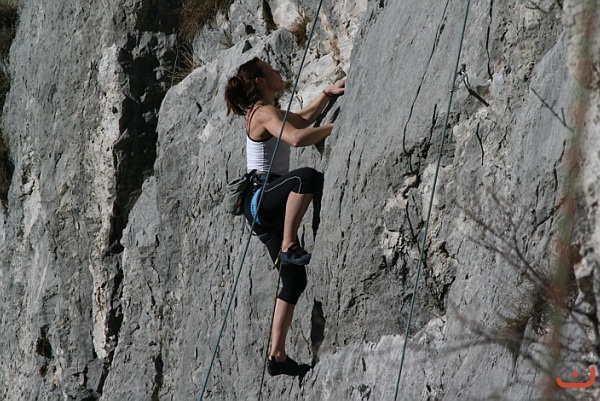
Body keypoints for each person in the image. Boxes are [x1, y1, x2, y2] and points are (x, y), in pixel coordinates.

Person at [224, 57, 345, 377]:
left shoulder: (268, 112)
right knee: (306, 178)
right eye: (272, 70)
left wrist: (326, 95)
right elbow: (296, 138)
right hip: (263, 198)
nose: (279, 72)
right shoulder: (263, 113)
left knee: (294, 280)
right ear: (261, 81)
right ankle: (290, 243)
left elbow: (302, 119)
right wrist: (342, 126)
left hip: (263, 208)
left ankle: (277, 355)